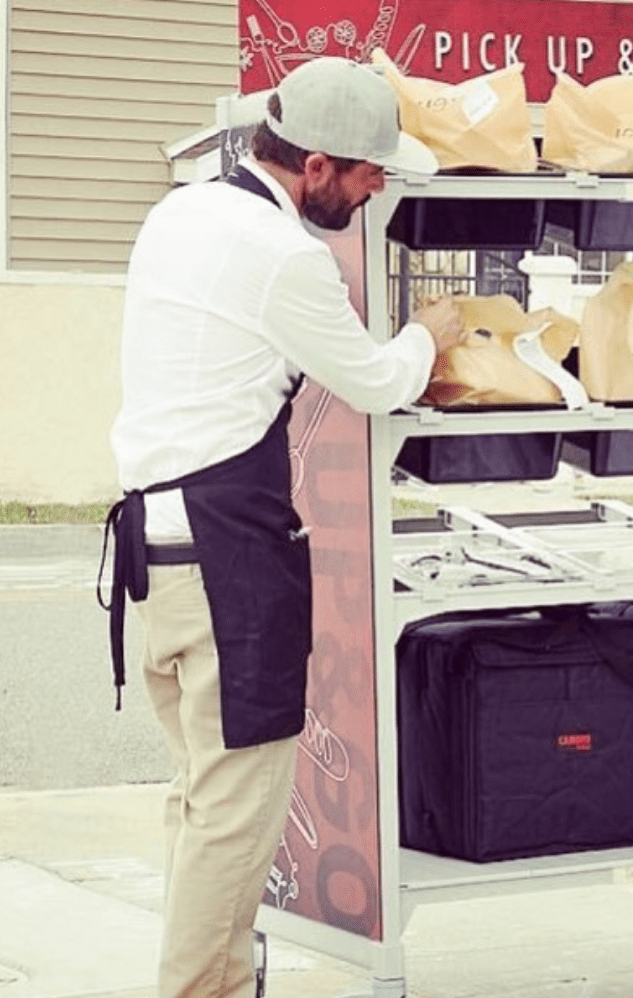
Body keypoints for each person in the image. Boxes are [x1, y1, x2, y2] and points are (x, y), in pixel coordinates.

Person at [99, 56, 461, 998]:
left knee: (200, 800)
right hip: (226, 563)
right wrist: (440, 330)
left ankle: (207, 978)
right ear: (314, 166)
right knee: (237, 814)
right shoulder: (285, 256)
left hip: (160, 548)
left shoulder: (179, 213)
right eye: (368, 169)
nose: (378, 184)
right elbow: (378, 381)